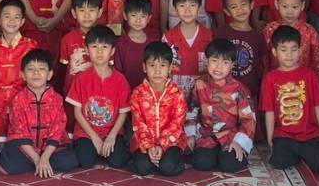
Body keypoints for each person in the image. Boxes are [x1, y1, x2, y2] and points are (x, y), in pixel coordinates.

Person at [0, 49, 79, 176]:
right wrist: (36, 159)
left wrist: (45, 157)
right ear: (23, 75)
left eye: (41, 69)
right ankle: (38, 163)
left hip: (51, 148)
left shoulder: (56, 99)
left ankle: (42, 163)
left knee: (69, 161)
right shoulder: (18, 99)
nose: (36, 73)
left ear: (49, 74)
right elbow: (20, 132)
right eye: (31, 69)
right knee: (7, 166)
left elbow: (57, 130)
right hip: (26, 148)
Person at [261, 26, 319, 175]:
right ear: (274, 52)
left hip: (309, 134)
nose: (289, 55)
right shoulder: (270, 78)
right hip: (284, 135)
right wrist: (270, 142)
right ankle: (297, 153)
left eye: (294, 49)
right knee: (278, 162)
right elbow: (269, 112)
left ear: (300, 51)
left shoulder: (309, 75)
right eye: (283, 49)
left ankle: (301, 152)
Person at [67, 25, 132, 168]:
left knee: (118, 161)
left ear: (112, 51)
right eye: (94, 47)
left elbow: (123, 113)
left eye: (105, 47)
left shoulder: (120, 80)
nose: (100, 51)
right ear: (87, 50)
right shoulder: (81, 79)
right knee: (86, 161)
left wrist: (112, 136)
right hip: (87, 132)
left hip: (112, 131)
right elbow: (77, 112)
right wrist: (94, 137)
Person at [191, 38, 257, 173]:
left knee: (229, 164)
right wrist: (191, 135)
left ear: (232, 65)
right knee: (201, 162)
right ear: (206, 60)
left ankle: (226, 154)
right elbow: (191, 111)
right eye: (214, 60)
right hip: (207, 136)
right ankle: (214, 154)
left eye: (225, 62)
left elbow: (249, 120)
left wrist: (239, 142)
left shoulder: (239, 89)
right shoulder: (199, 84)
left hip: (231, 136)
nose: (219, 67)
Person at [128, 41, 189, 177]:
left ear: (170, 68)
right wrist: (149, 146)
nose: (157, 71)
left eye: (162, 65)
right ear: (144, 67)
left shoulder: (177, 93)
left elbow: (177, 124)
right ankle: (150, 160)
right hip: (144, 141)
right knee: (142, 167)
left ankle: (170, 160)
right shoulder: (137, 93)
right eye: (152, 65)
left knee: (168, 167)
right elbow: (138, 123)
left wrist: (161, 145)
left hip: (171, 141)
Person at [0, 0, 38, 145]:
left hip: (23, 99)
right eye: (7, 16)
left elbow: (36, 77)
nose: (12, 21)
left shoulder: (30, 46)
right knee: (1, 140)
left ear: (22, 21)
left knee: (23, 138)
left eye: (16, 17)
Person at [262, 0, 319, 85]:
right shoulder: (269, 30)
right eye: (285, 6)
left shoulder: (310, 32)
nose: (289, 12)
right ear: (277, 4)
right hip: (275, 84)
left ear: (302, 5)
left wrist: (318, 88)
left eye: (294, 7)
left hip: (304, 84)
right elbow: (263, 61)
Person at [215, 0, 268, 106]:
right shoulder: (221, 34)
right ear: (227, 11)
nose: (240, 10)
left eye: (243, 4)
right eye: (234, 7)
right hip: (225, 95)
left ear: (252, 4)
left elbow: (264, 66)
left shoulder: (258, 36)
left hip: (250, 94)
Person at [163, 0, 212, 102]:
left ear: (199, 8)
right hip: (175, 96)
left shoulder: (209, 36)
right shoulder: (168, 38)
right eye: (182, 6)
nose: (187, 10)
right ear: (175, 9)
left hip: (203, 95)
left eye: (192, 5)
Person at [59, 0, 104, 80]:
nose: (87, 15)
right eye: (82, 10)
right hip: (72, 86)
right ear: (74, 13)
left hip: (96, 87)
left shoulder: (105, 38)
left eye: (91, 10)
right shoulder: (67, 39)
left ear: (99, 12)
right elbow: (63, 69)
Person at [115, 0, 155, 87]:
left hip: (148, 92)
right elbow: (117, 72)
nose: (138, 20)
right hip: (125, 90)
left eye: (143, 16)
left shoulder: (153, 43)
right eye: (134, 15)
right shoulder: (120, 44)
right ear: (125, 16)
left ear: (149, 18)